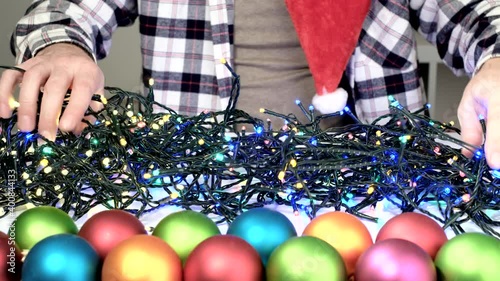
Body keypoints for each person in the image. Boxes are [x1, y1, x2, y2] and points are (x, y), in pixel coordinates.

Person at [1, 0, 500, 169]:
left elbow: (481, 16)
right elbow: (60, 10)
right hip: (190, 187)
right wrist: (58, 47)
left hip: (377, 193)